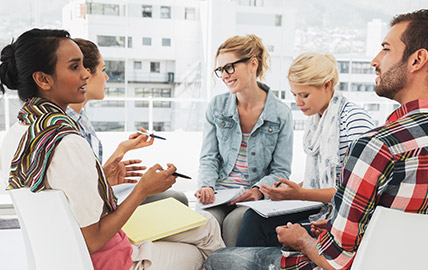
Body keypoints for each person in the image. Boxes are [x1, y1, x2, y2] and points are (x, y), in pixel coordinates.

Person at [205, 9, 428, 270]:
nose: (375, 60)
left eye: (385, 49)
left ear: (417, 60)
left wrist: (300, 239)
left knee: (217, 259)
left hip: (331, 263)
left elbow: (335, 260)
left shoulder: (379, 147)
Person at [0, 28, 224, 270]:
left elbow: (60, 199)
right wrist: (143, 189)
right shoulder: (67, 141)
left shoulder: (18, 134)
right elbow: (92, 239)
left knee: (206, 228)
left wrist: (100, 178)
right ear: (43, 80)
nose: (87, 74)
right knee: (202, 249)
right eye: (75, 67)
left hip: (66, 259)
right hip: (111, 261)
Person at [236, 52, 374, 247]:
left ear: (327, 85)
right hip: (325, 206)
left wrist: (299, 193)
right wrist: (290, 189)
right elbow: (320, 179)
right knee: (254, 217)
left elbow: (357, 192)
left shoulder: (354, 121)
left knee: (263, 228)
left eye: (304, 95)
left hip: (344, 217)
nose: (298, 102)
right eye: (294, 95)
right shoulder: (318, 121)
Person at [195, 34, 293, 246]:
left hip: (250, 195)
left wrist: (258, 191)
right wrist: (206, 187)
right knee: (204, 222)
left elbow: (281, 170)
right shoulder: (217, 107)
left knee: (234, 223)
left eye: (230, 67)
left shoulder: (281, 114)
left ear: (253, 64)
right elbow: (209, 157)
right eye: (221, 70)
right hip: (218, 193)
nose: (225, 75)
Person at [67, 38, 188, 206]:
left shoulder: (81, 118)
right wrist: (144, 187)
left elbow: (93, 178)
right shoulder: (67, 128)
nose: (107, 77)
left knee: (177, 198)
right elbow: (85, 194)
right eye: (103, 70)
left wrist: (123, 148)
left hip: (98, 203)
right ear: (86, 74)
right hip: (96, 213)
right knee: (177, 200)